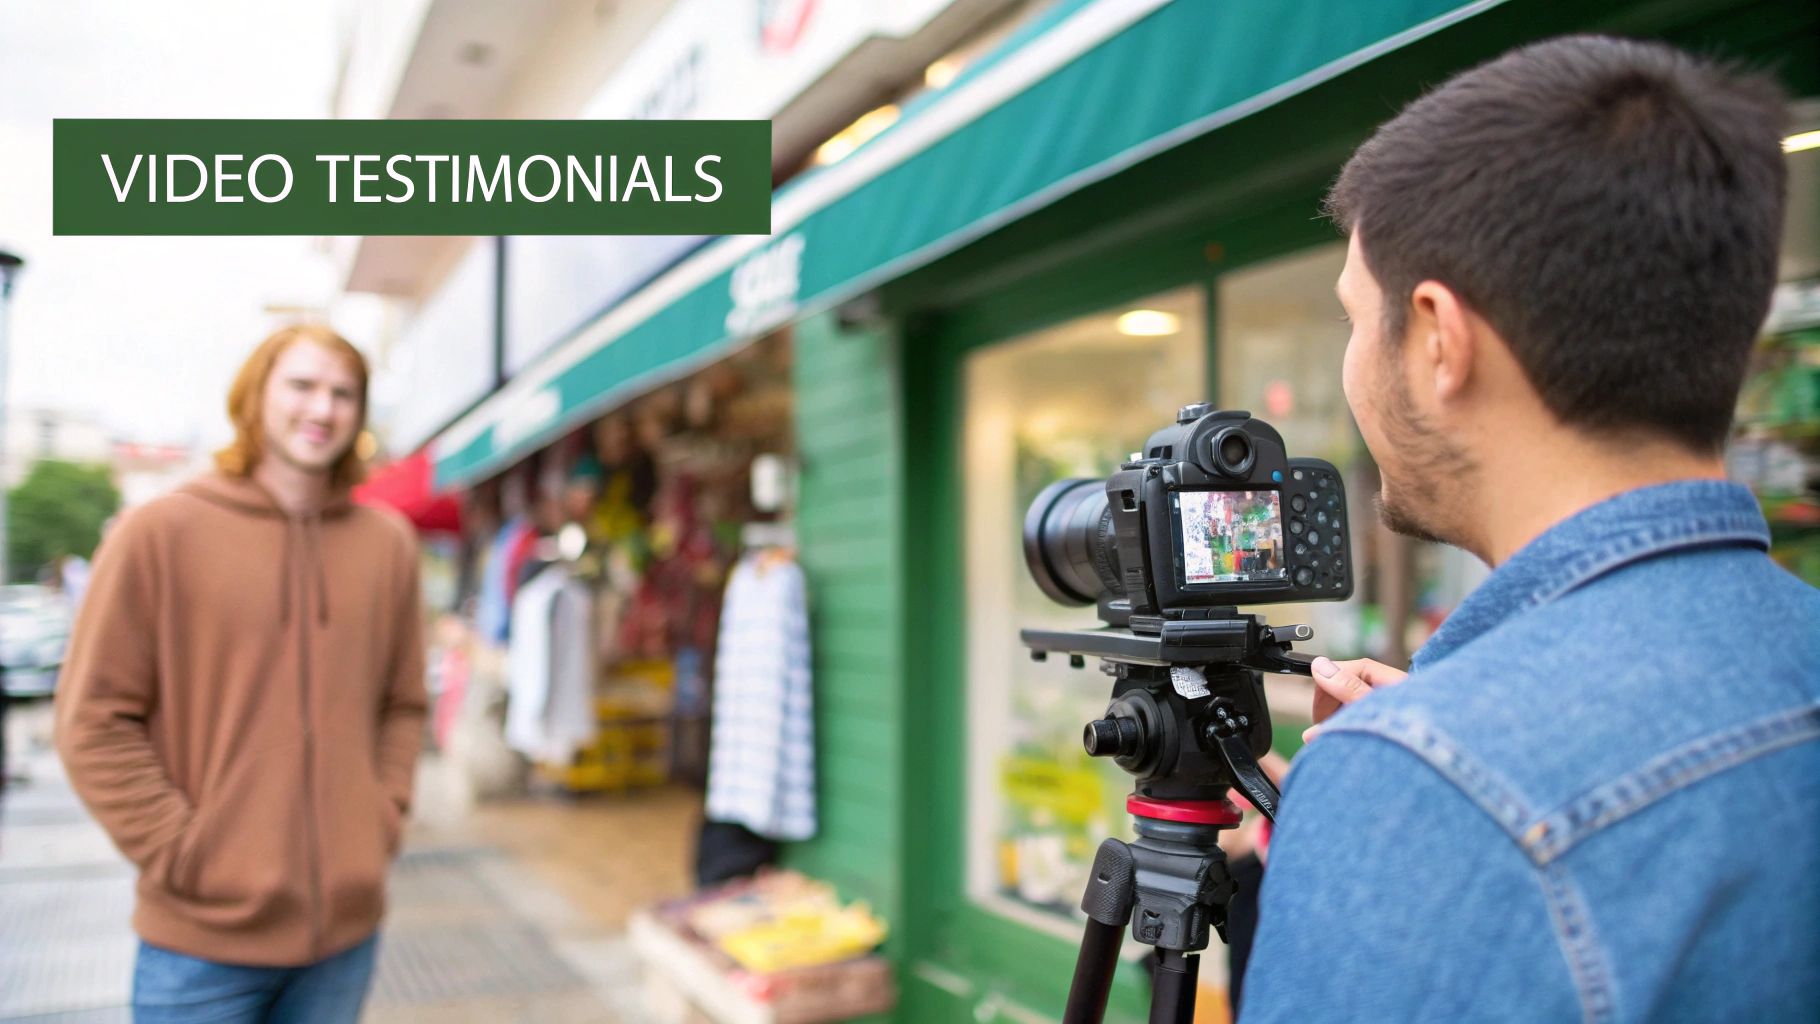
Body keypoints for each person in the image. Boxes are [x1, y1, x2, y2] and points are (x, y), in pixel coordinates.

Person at [1240, 36, 1819, 1022]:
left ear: (1435, 338)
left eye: (1351, 318)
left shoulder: (1428, 780)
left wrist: (1397, 794)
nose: (1351, 364)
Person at [56, 324, 427, 1023]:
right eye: (303, 385)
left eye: (344, 393)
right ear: (255, 395)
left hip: (345, 939)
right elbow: (92, 719)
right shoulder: (160, 533)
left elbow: (404, 703)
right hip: (201, 945)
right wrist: (183, 852)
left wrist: (379, 819)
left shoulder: (388, 546)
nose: (323, 409)